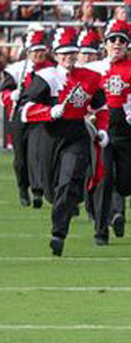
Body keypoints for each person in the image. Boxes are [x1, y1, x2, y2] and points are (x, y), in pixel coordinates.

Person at [20, 28, 107, 256]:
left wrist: (102, 129)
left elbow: (101, 105)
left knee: (68, 183)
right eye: (64, 52)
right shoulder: (46, 78)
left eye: (72, 52)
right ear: (56, 55)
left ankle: (59, 233)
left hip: (76, 135)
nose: (69, 56)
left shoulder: (89, 78)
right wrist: (49, 111)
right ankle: (62, 205)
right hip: (50, 137)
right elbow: (24, 110)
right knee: (52, 191)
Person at [86, 20, 131, 245]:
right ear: (105, 43)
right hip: (102, 131)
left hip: (128, 132)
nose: (117, 44)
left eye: (122, 40)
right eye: (112, 39)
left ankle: (124, 202)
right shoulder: (92, 69)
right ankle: (101, 230)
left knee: (126, 182)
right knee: (105, 178)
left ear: (128, 45)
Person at [2, 30, 50, 209]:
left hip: (41, 116)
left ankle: (38, 190)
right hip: (19, 116)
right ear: (28, 51)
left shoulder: (50, 70)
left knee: (37, 154)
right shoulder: (15, 70)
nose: (38, 54)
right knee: (21, 159)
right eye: (34, 50)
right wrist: (11, 95)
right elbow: (3, 93)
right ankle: (23, 187)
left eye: (41, 50)